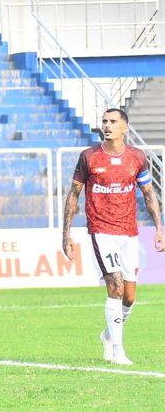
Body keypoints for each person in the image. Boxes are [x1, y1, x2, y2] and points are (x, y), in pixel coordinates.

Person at [62, 108, 164, 366]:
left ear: (124, 128)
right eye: (104, 121)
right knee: (115, 286)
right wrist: (66, 233)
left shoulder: (137, 157)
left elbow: (148, 193)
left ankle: (108, 335)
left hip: (129, 232)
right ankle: (118, 351)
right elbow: (73, 194)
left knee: (129, 296)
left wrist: (159, 227)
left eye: (113, 122)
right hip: (101, 230)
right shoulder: (89, 157)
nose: (107, 126)